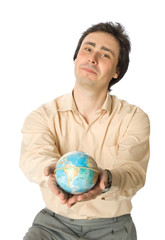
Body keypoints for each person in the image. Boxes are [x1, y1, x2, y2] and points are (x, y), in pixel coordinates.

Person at [20, 22, 150, 240]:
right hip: (52, 226)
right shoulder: (42, 116)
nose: (92, 58)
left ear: (117, 71)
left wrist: (107, 179)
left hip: (113, 228)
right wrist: (51, 172)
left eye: (105, 54)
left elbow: (133, 173)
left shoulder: (134, 118)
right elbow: (34, 157)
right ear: (76, 58)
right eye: (88, 49)